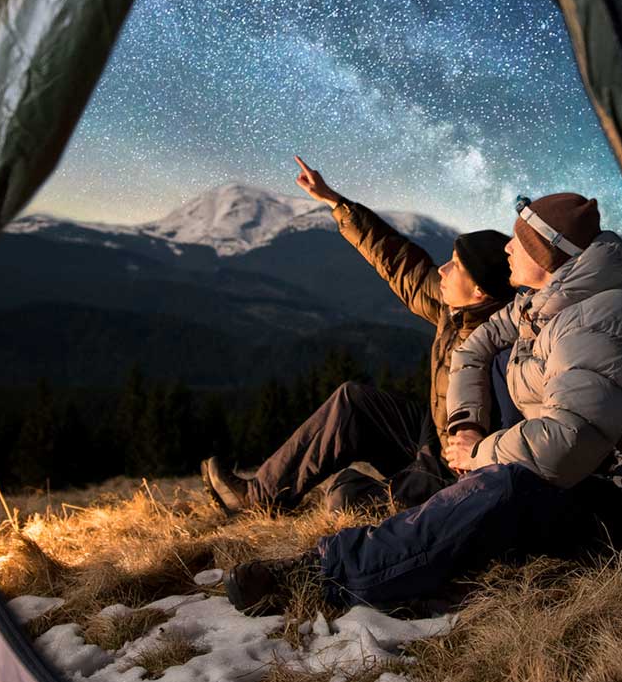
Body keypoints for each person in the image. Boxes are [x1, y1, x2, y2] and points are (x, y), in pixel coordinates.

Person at [226, 191, 622, 614]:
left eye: (519, 242)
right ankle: (328, 501)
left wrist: (479, 455)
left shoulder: (600, 322)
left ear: (548, 255)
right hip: (574, 465)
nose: (508, 247)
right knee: (493, 393)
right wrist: (468, 425)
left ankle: (326, 575)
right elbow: (474, 348)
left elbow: (567, 444)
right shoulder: (548, 297)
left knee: (501, 486)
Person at [199, 156, 517, 516]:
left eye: (455, 266)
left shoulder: (502, 344)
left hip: (455, 471)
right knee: (354, 401)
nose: (442, 269)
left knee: (346, 499)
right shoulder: (455, 309)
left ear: (480, 291)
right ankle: (260, 497)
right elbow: (402, 263)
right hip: (431, 434)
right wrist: (337, 203)